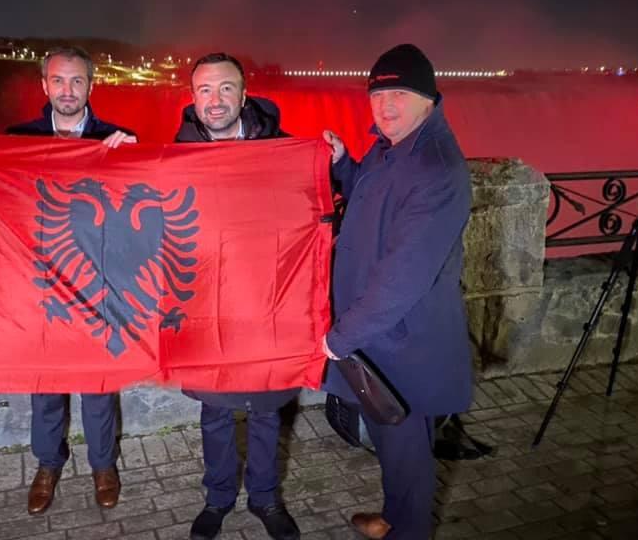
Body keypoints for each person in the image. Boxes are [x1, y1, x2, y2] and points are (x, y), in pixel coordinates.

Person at [0, 47, 134, 515]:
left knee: (98, 384)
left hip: (98, 285)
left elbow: (139, 204)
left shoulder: (115, 139)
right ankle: (48, 465)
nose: (67, 90)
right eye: (58, 80)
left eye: (77, 81)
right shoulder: (20, 139)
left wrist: (132, 156)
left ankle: (103, 465)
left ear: (91, 86)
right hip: (38, 285)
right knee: (44, 384)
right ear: (44, 86)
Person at [321, 44, 474, 540]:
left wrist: (341, 337)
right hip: (381, 334)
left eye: (400, 94)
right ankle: (393, 517)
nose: (386, 106)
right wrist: (343, 164)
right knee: (391, 443)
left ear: (428, 98)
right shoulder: (393, 147)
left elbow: (405, 274)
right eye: (378, 94)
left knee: (409, 452)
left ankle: (408, 529)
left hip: (405, 340)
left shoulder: (435, 168)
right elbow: (371, 194)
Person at [174, 53, 300, 540]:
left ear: (244, 96)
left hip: (268, 299)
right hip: (209, 303)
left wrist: (335, 159)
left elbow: (321, 193)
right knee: (216, 410)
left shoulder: (280, 149)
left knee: (267, 407)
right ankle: (218, 498)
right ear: (193, 98)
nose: (215, 100)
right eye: (205, 90)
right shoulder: (176, 156)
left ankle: (265, 498)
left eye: (226, 88)